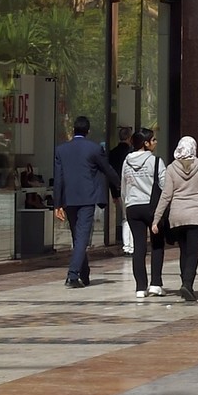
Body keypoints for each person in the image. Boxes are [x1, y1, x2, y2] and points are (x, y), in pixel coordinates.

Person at [51, 115, 120, 288]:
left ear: (74, 130)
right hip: (87, 198)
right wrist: (121, 183)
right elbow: (107, 169)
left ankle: (84, 272)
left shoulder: (61, 150)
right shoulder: (94, 149)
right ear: (88, 131)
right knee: (81, 237)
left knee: (78, 236)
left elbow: (58, 179)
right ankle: (73, 275)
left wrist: (57, 204)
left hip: (69, 199)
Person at [150, 136, 198, 303]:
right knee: (193, 253)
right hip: (197, 216)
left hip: (177, 217)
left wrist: (156, 219)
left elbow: (166, 196)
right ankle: (188, 284)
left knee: (184, 252)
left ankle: (184, 283)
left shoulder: (172, 168)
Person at [120, 128, 166, 301]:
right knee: (157, 244)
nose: (155, 142)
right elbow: (165, 185)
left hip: (133, 206)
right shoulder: (155, 162)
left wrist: (127, 204)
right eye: (153, 140)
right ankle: (155, 284)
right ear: (145, 143)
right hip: (151, 207)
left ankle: (140, 287)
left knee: (139, 246)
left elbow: (123, 186)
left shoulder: (126, 162)